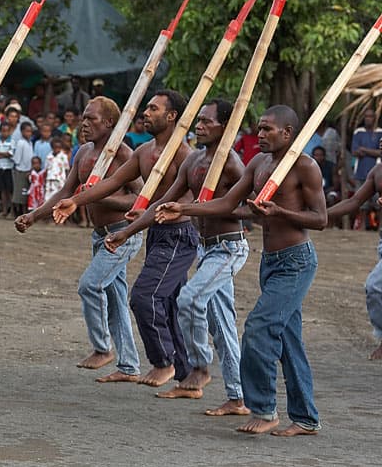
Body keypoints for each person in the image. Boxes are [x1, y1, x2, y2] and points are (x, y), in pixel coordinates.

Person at [156, 105, 326, 436]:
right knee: (287, 340)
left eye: (267, 130)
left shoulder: (305, 167)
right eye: (259, 129)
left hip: (296, 261)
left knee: (259, 330)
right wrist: (185, 207)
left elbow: (320, 219)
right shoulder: (258, 163)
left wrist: (279, 212)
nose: (259, 135)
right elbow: (226, 203)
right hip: (271, 262)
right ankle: (306, 418)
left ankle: (263, 409)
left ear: (288, 133)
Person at [106, 100, 250, 414]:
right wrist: (126, 232)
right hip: (207, 247)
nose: (199, 126)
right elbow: (163, 206)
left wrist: (189, 209)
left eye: (207, 122)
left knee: (189, 300)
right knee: (221, 324)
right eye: (198, 120)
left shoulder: (232, 163)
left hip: (229, 246)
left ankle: (199, 367)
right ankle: (238, 398)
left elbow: (242, 208)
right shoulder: (194, 161)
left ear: (225, 128)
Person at [53, 90, 198, 388]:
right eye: (145, 108)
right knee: (166, 304)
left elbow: (165, 200)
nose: (145, 113)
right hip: (152, 232)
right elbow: (112, 183)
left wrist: (128, 229)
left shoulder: (183, 154)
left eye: (153, 109)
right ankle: (185, 378)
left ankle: (161, 362)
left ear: (172, 116)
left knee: (143, 297)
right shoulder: (143, 152)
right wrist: (77, 202)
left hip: (178, 234)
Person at [16, 97, 144, 379]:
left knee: (91, 285)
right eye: (83, 118)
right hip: (99, 236)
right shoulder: (84, 153)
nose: (84, 124)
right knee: (116, 298)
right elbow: (66, 192)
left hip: (122, 234)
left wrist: (99, 196)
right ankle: (129, 365)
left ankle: (102, 347)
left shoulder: (122, 154)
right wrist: (35, 215)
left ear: (109, 122)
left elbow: (139, 199)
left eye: (92, 119)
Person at [328, 136, 382, 360]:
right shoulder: (378, 172)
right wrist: (320, 215)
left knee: (375, 285)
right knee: (375, 290)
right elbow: (354, 201)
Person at [352, 108, 382, 229]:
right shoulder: (358, 132)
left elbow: (380, 153)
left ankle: (380, 226)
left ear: (375, 118)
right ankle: (363, 226)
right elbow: (355, 151)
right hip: (361, 171)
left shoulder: (380, 132)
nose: (368, 119)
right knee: (361, 202)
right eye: (366, 116)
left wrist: (364, 150)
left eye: (370, 116)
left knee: (378, 201)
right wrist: (372, 151)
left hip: (377, 171)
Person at [0, 122, 16, 217]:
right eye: (3, 131)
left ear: (10, 131)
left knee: (10, 190)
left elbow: (11, 154)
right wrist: (4, 154)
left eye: (7, 131)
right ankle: (5, 211)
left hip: (9, 168)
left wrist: (0, 154)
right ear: (0, 131)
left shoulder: (12, 141)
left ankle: (12, 211)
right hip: (0, 168)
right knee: (2, 190)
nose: (5, 133)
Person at [11, 122, 34, 216]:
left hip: (28, 170)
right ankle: (13, 212)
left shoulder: (30, 143)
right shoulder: (21, 143)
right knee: (18, 192)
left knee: (24, 192)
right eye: (27, 131)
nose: (29, 133)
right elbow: (17, 158)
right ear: (22, 132)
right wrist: (18, 168)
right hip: (20, 170)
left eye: (30, 131)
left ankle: (23, 212)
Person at [44, 137, 70, 201]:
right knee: (49, 197)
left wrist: (67, 180)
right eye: (55, 147)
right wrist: (45, 180)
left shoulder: (63, 157)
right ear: (52, 147)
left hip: (60, 180)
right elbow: (46, 169)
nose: (57, 149)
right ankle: (49, 210)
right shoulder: (49, 157)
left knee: (60, 197)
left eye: (59, 147)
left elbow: (67, 169)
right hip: (50, 179)